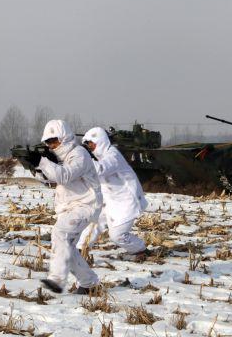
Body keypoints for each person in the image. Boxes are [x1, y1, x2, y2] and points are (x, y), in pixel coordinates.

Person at [31, 119, 103, 294]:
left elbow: (65, 175)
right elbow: (51, 180)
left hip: (86, 204)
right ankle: (90, 284)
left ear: (65, 137)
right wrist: (34, 166)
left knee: (60, 233)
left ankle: (56, 279)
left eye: (54, 140)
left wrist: (42, 162)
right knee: (67, 247)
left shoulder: (79, 154)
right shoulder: (60, 157)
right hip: (70, 205)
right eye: (48, 142)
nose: (52, 145)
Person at [76, 127, 149, 259]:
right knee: (94, 221)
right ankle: (81, 249)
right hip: (110, 200)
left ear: (101, 141)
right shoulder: (100, 156)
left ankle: (140, 249)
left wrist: (81, 158)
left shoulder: (113, 155)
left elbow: (99, 170)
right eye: (87, 144)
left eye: (91, 143)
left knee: (117, 236)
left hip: (126, 202)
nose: (90, 147)